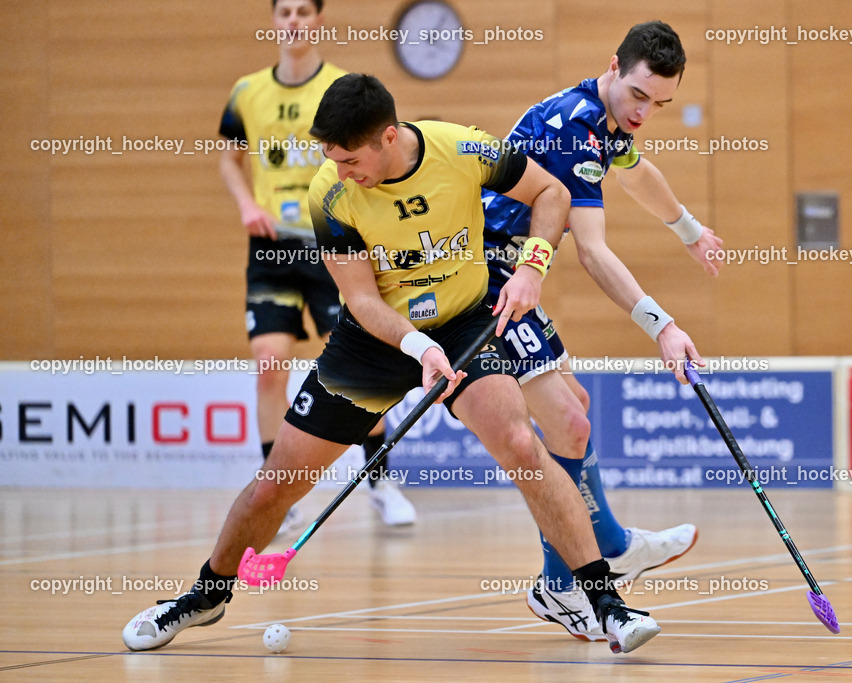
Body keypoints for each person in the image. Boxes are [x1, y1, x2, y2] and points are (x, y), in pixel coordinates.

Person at [122, 73, 663, 655]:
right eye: (332, 158)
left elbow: (551, 193)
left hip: (464, 323)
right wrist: (417, 348)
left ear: (387, 137)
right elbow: (360, 300)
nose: (341, 170)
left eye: (350, 158)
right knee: (273, 488)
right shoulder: (330, 191)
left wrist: (533, 265)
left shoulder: (462, 149)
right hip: (375, 340)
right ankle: (206, 595)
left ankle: (603, 600)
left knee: (522, 446)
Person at [482, 20, 723, 640]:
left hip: (515, 274)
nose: (645, 112)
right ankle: (566, 581)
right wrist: (663, 325)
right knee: (569, 420)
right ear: (613, 66)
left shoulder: (606, 122)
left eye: (659, 104)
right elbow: (590, 251)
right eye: (639, 95)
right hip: (481, 281)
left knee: (576, 413)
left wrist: (690, 231)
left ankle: (604, 548)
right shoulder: (574, 129)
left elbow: (639, 174)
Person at [218, 0, 413, 527]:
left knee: (360, 370)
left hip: (333, 245)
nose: (294, 21)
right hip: (273, 250)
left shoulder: (341, 89)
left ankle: (380, 481)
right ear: (275, 20)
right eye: (285, 12)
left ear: (319, 19)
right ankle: (276, 494)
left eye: (304, 11)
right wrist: (246, 204)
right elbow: (229, 157)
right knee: (268, 367)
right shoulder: (247, 91)